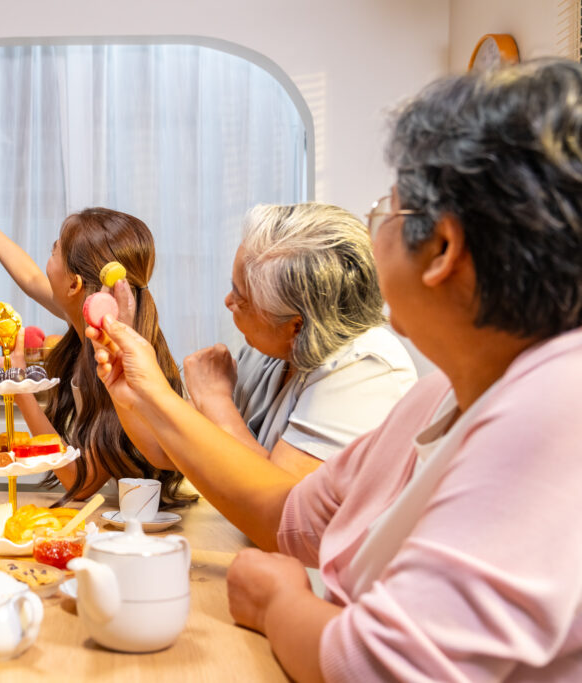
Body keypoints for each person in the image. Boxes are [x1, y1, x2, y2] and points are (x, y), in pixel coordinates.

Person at [87, 59, 582, 681]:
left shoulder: (555, 408)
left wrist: (276, 603)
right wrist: (141, 390)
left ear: (444, 250)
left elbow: (380, 664)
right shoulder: (433, 400)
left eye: (387, 213)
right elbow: (288, 514)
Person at [0, 168, 193, 505]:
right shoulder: (90, 318)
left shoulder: (113, 358)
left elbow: (81, 481)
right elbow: (30, 276)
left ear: (74, 284)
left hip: (141, 520)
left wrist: (16, 384)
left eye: (53, 251)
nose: (46, 263)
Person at [177, 203, 416, 478]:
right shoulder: (269, 351)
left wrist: (215, 400)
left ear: (296, 327)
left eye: (240, 295)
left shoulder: (366, 369)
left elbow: (283, 506)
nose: (228, 301)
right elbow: (169, 450)